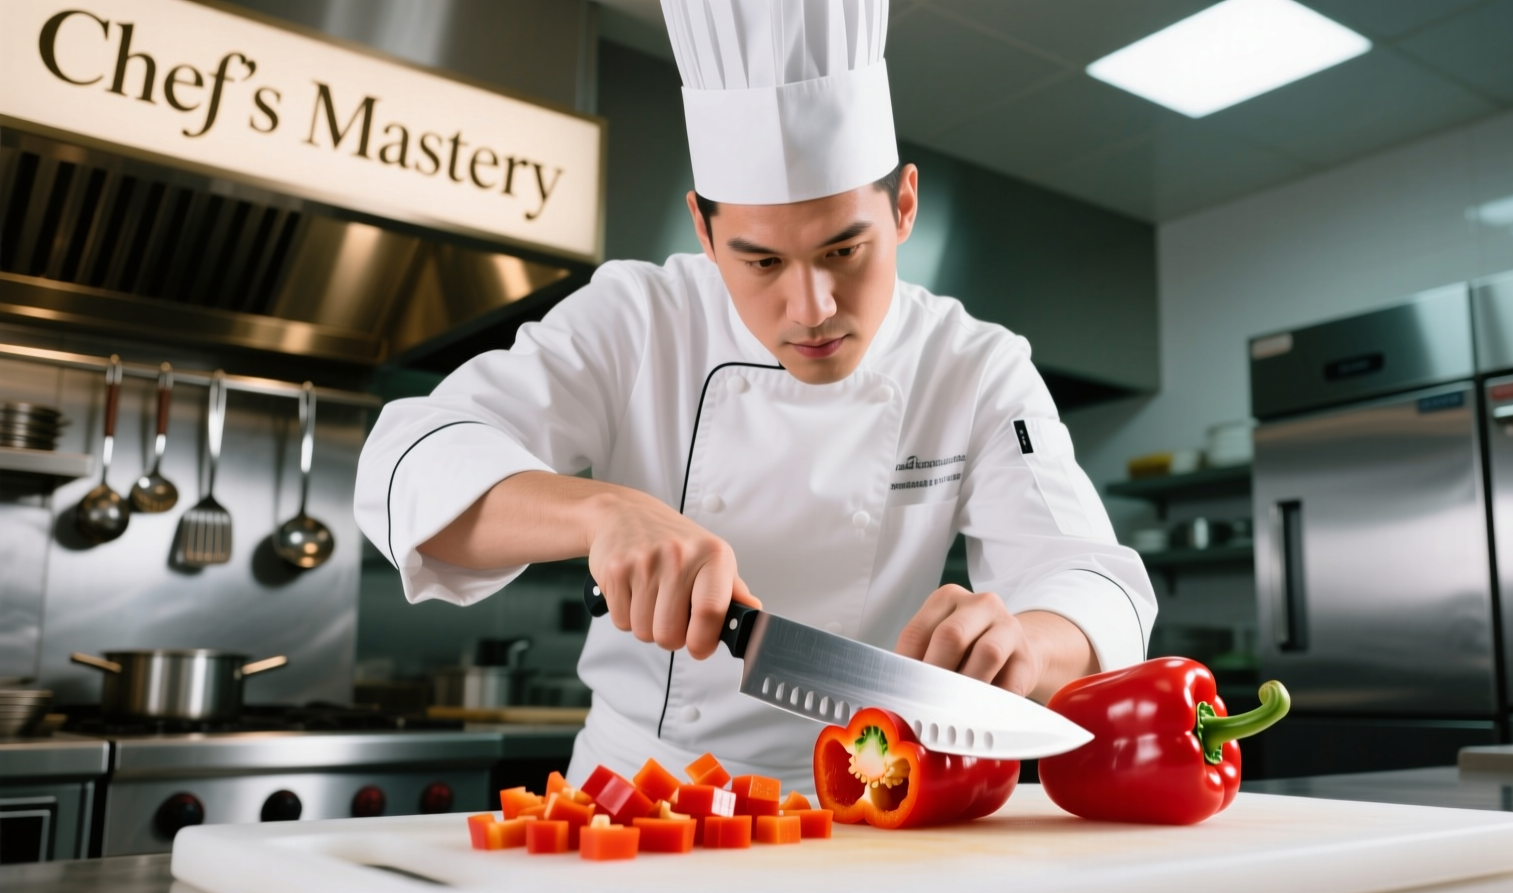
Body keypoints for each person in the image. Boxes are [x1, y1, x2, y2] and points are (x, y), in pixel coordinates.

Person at [354, 0, 1155, 794]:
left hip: (865, 793)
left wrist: (1028, 645)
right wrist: (598, 514)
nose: (811, 308)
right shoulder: (637, 319)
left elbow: (1089, 575)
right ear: (704, 234)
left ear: (904, 205)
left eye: (846, 249)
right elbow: (410, 459)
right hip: (638, 795)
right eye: (762, 263)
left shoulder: (974, 365)